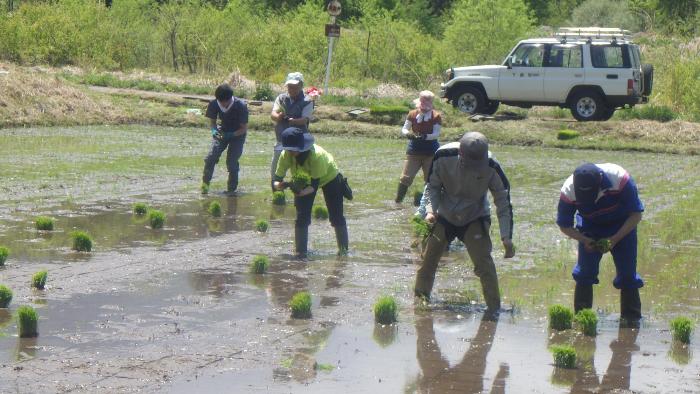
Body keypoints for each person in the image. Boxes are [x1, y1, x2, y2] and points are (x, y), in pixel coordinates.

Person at [414, 131, 515, 312]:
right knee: (427, 261)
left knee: (485, 265)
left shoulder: (492, 166)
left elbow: (503, 202)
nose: (475, 167)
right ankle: (420, 305)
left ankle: (494, 311)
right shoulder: (443, 155)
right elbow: (432, 187)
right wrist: (430, 211)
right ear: (460, 154)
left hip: (474, 216)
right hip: (444, 214)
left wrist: (506, 237)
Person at [557, 163, 644, 322]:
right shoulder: (569, 190)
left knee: (627, 274)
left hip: (622, 224)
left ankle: (631, 321)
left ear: (600, 182)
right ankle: (583, 319)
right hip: (590, 227)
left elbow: (636, 215)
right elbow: (564, 225)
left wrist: (615, 238)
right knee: (584, 272)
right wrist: (584, 240)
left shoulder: (620, 179)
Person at [273, 128, 349, 257]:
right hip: (304, 182)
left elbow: (314, 186)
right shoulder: (285, 155)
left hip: (329, 178)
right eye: (288, 149)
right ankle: (301, 253)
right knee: (301, 216)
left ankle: (343, 251)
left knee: (336, 215)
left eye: (293, 149)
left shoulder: (316, 156)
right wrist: (281, 185)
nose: (291, 152)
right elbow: (276, 180)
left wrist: (300, 193)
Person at [270, 72, 315, 191]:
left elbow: (304, 120)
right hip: (281, 140)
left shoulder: (308, 100)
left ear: (301, 86)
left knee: (302, 172)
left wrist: (292, 120)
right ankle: (277, 195)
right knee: (275, 170)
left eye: (294, 86)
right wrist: (279, 117)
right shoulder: (281, 98)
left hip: (299, 143)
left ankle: (301, 195)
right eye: (289, 86)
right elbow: (273, 114)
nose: (291, 89)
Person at [395, 90, 442, 203]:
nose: (423, 109)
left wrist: (425, 137)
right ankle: (398, 201)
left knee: (430, 179)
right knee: (405, 177)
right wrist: (408, 134)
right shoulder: (412, 114)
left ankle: (428, 203)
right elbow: (405, 128)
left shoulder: (436, 116)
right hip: (414, 151)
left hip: (431, 152)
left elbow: (436, 134)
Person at [202, 83, 249, 195]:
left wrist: (231, 135)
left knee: (232, 162)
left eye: (225, 102)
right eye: (220, 102)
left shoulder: (241, 106)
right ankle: (205, 186)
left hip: (238, 135)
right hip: (222, 132)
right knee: (210, 157)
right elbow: (213, 122)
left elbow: (244, 128)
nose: (223, 104)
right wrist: (214, 131)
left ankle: (231, 189)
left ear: (230, 98)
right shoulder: (214, 104)